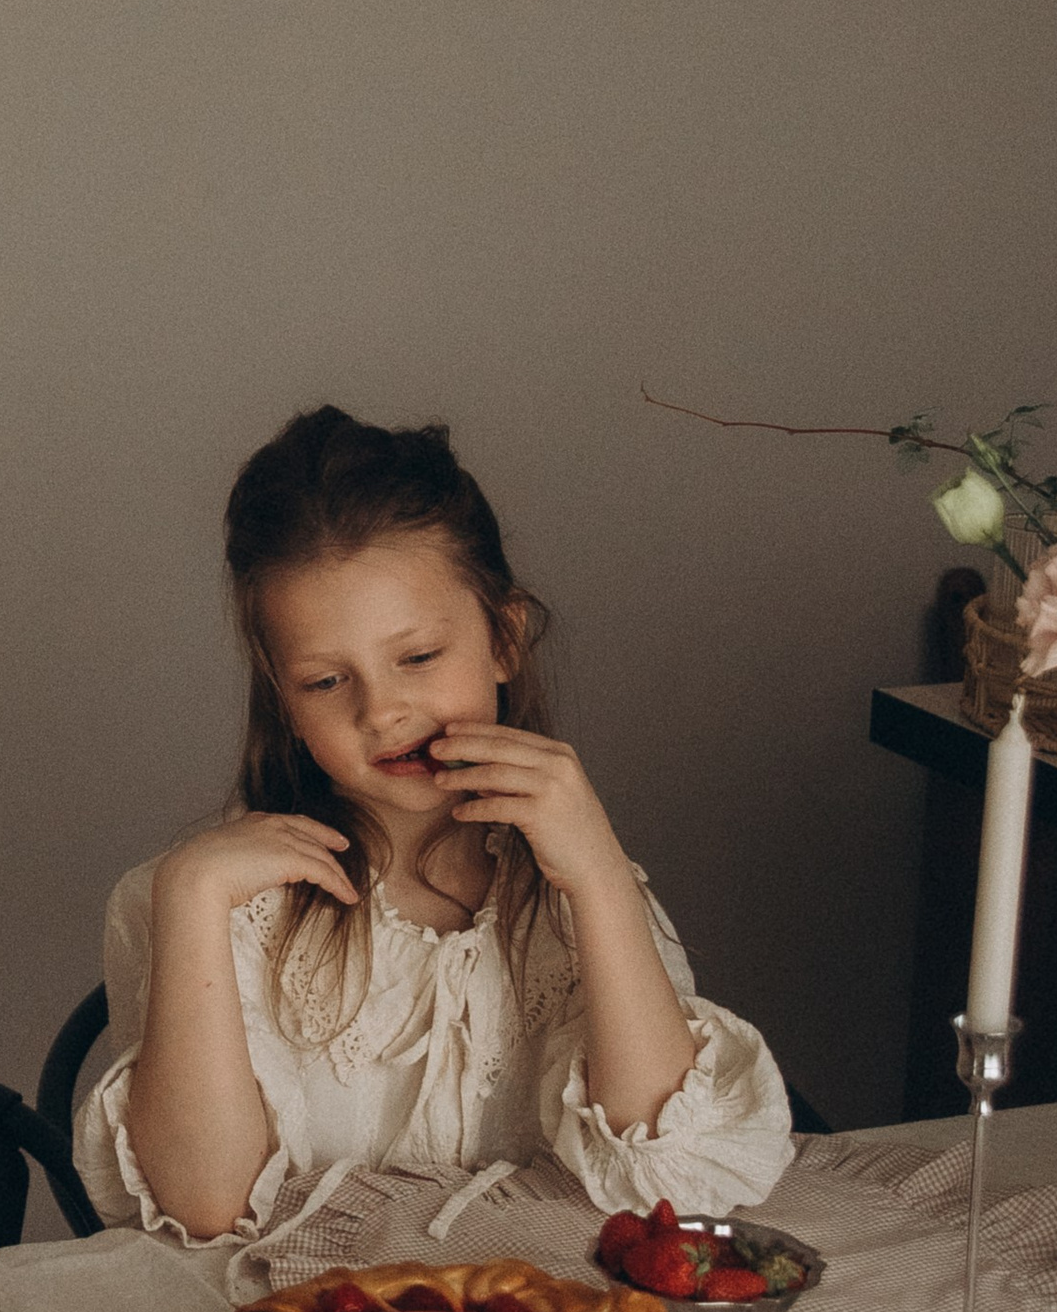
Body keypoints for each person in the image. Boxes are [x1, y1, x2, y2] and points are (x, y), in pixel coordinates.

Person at [79, 408, 791, 1245]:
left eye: (417, 659)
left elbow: (671, 1177)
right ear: (280, 695)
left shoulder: (574, 883)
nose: (383, 712)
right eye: (323, 682)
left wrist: (598, 879)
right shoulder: (214, 902)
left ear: (503, 638)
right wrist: (192, 897)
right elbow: (204, 1208)